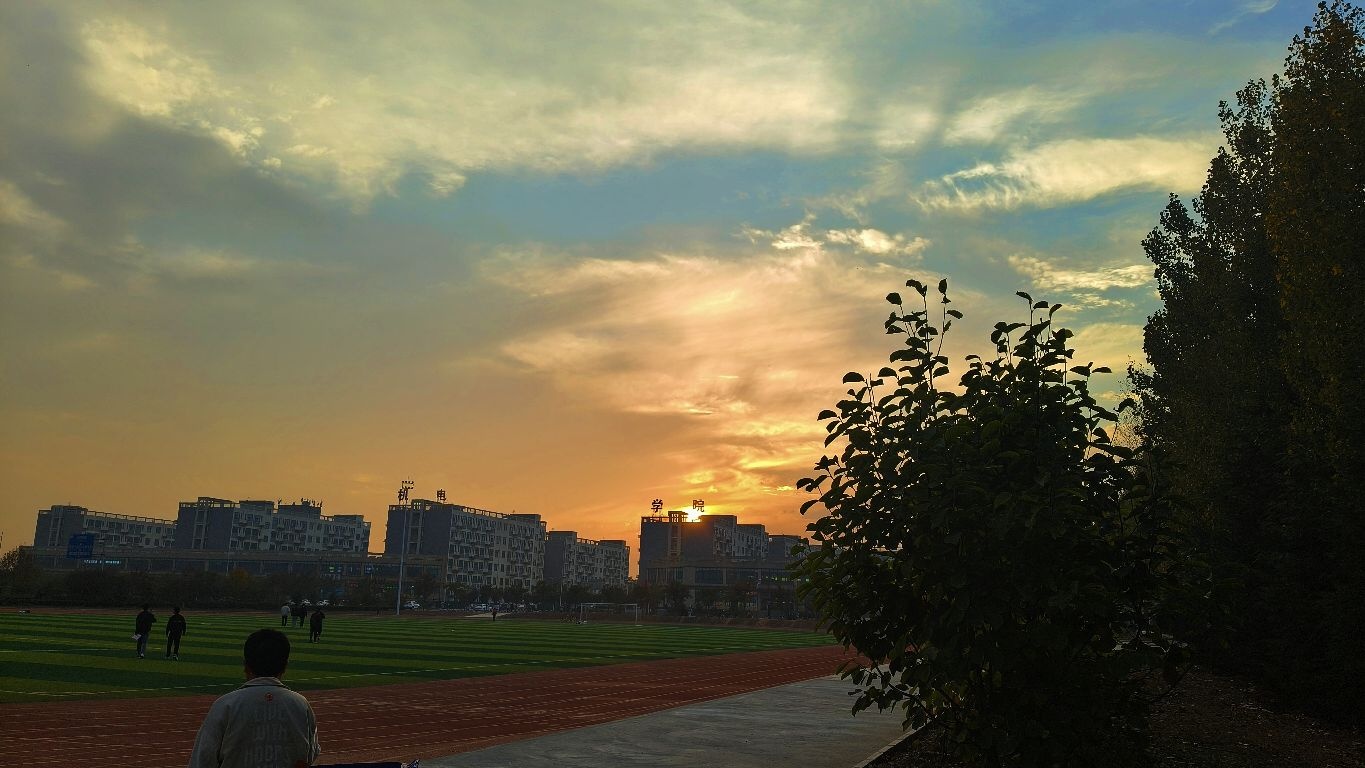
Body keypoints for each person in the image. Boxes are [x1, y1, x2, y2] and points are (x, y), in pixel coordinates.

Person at [187, 628, 321, 768]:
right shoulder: (301, 704)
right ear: (285, 666)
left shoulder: (225, 705)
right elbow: (310, 754)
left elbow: (202, 760)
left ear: (246, 665)